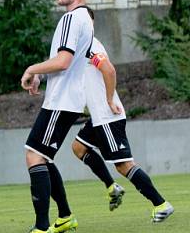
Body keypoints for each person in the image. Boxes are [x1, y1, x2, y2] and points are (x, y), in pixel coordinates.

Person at [17, 0, 94, 233]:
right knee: (42, 156)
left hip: (63, 101)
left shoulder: (73, 18)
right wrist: (41, 73)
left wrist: (31, 68)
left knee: (33, 155)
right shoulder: (82, 18)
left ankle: (41, 228)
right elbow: (65, 63)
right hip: (65, 99)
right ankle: (64, 217)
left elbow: (64, 61)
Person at [64, 36, 174, 222]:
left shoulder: (90, 45)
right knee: (78, 147)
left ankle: (161, 205)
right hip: (98, 119)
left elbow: (109, 70)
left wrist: (108, 100)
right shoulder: (80, 49)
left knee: (124, 166)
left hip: (107, 118)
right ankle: (111, 187)